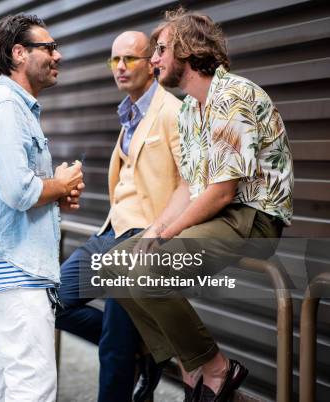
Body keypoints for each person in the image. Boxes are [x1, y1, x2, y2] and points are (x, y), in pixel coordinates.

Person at [101, 8, 293, 402]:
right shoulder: (189, 107)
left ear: (187, 51)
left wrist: (166, 234)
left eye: (161, 50)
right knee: (116, 265)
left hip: (252, 218)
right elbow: (189, 186)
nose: (153, 59)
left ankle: (216, 367)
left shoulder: (232, 95)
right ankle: (194, 367)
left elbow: (222, 192)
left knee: (148, 266)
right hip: (218, 212)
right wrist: (154, 230)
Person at [0, 14, 84, 401]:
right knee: (33, 381)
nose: (57, 55)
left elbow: (20, 191)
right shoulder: (5, 108)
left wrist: (58, 191)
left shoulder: (12, 108)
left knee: (5, 377)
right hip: (13, 266)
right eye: (49, 47)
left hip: (10, 263)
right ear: (19, 53)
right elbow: (18, 191)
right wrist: (60, 184)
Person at [54, 31, 182, 402]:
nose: (121, 67)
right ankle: (145, 348)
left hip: (144, 236)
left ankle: (131, 350)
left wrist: (160, 234)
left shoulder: (173, 112)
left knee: (114, 343)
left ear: (152, 64)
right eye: (114, 60)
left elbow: (188, 182)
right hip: (111, 231)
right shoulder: (129, 112)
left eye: (130, 59)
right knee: (50, 301)